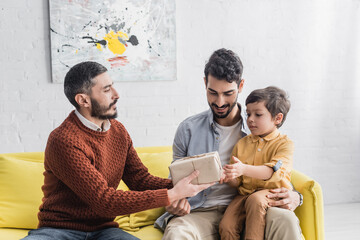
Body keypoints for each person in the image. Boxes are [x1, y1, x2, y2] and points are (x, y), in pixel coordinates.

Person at [22, 61, 213, 240]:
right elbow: (104, 200)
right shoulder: (63, 140)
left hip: (104, 231)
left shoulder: (118, 131)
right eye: (106, 90)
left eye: (112, 85)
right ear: (83, 100)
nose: (116, 94)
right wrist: (171, 195)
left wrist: (184, 185)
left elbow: (140, 180)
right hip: (59, 230)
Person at [155, 49, 302, 240]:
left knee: (287, 221)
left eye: (228, 93)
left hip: (251, 207)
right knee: (177, 234)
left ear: (241, 86)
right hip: (199, 211)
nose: (220, 102)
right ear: (205, 83)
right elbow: (174, 181)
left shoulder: (259, 126)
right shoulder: (188, 129)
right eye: (212, 93)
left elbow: (280, 169)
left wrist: (297, 196)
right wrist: (174, 199)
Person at [219, 86, 294, 240]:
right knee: (226, 227)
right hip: (244, 194)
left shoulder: (284, 144)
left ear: (277, 118)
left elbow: (272, 171)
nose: (250, 119)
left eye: (258, 114)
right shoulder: (242, 144)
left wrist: (243, 169)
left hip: (271, 193)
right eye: (248, 114)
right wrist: (230, 177)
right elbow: (237, 182)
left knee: (255, 200)